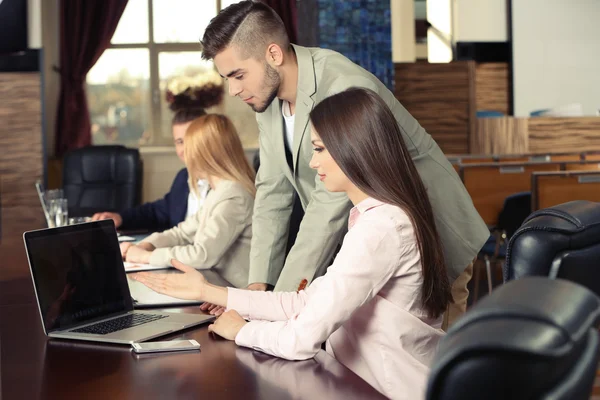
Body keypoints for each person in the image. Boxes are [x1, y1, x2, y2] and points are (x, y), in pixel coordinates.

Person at [132, 88, 453, 399]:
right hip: (356, 380)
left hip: (382, 390)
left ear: (351, 147)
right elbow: (306, 303)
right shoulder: (377, 218)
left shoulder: (380, 228)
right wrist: (209, 292)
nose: (313, 164)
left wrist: (242, 330)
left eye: (319, 149)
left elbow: (301, 338)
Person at [198, 0, 488, 326]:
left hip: (431, 241)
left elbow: (327, 206)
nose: (234, 90)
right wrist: (256, 290)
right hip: (376, 246)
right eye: (227, 78)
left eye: (238, 75)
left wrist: (268, 308)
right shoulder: (267, 101)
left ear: (274, 54)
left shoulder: (344, 87)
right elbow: (272, 192)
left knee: (424, 368)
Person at [122, 114, 255, 288]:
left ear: (205, 154)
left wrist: (146, 257)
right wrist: (147, 245)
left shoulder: (233, 196)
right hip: (217, 286)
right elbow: (182, 233)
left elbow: (202, 255)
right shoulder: (218, 192)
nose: (184, 153)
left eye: (189, 146)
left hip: (236, 293)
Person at [91, 83, 223, 232]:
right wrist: (120, 217)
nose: (186, 148)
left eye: (191, 139)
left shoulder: (226, 188)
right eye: (180, 142)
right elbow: (158, 211)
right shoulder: (183, 177)